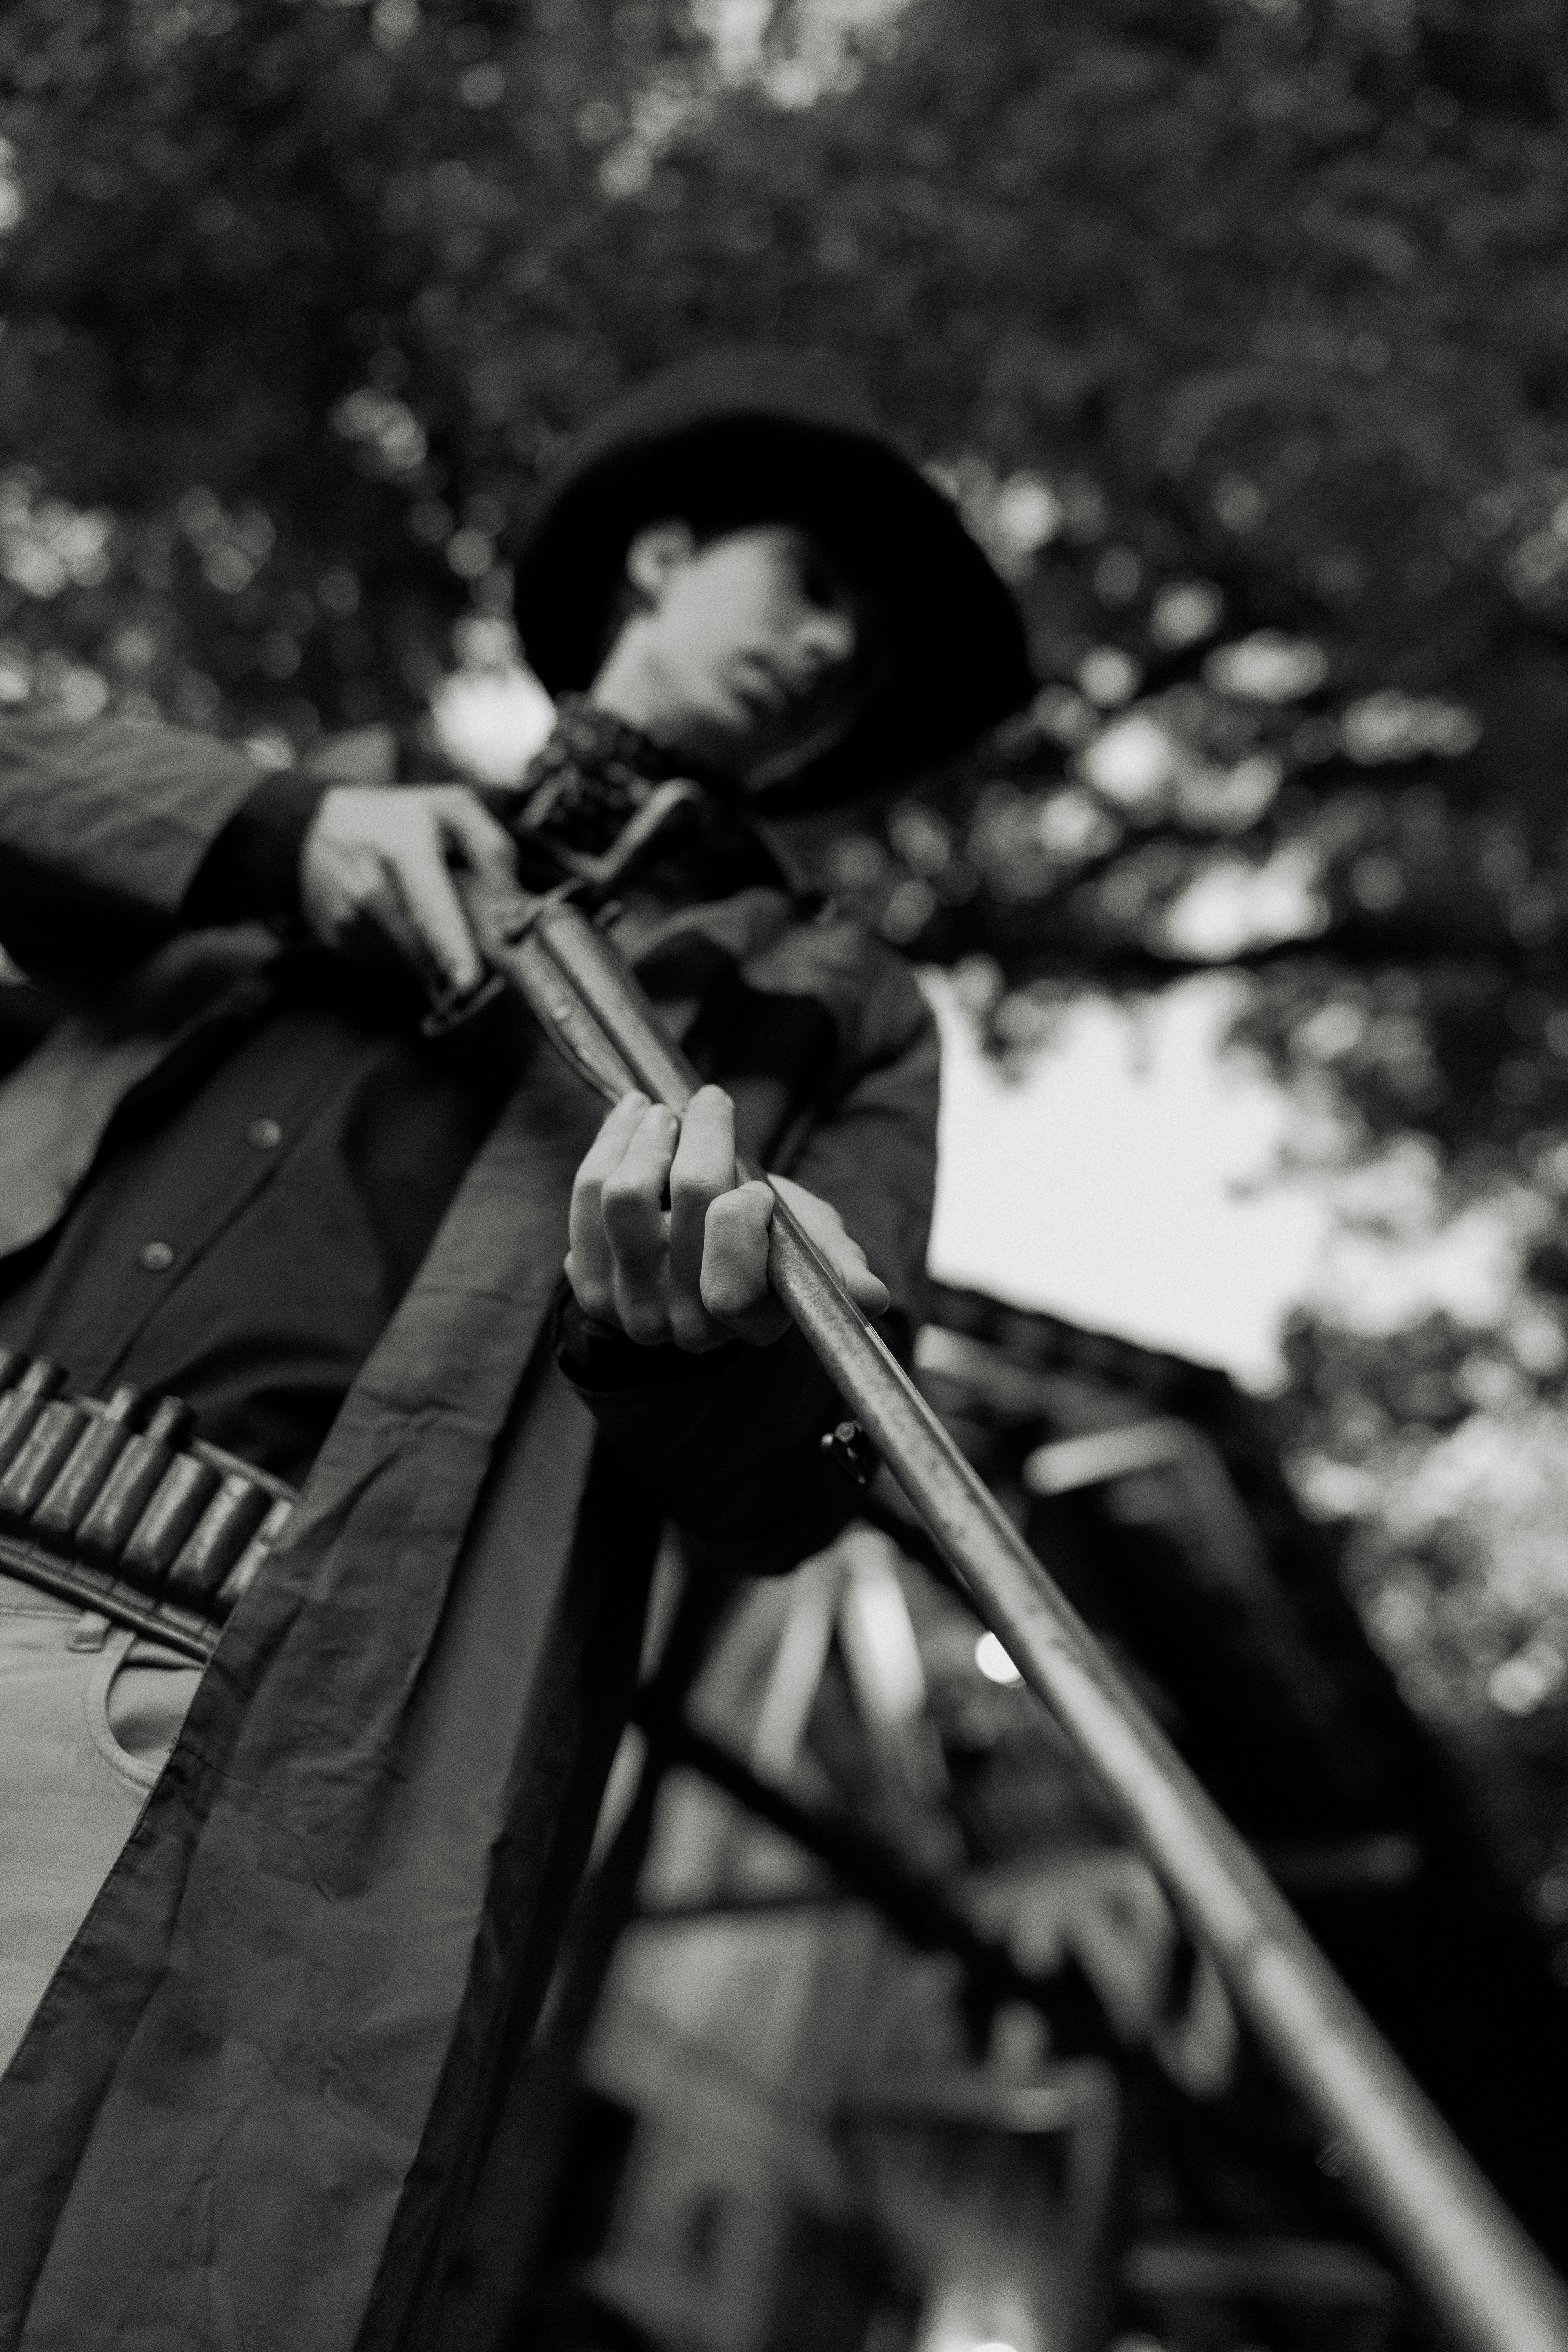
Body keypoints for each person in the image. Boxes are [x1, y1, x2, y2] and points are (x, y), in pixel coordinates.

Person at [0, 348, 1032, 2352]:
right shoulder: (317, 800)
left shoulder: (836, 1002)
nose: (831, 654)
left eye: (868, 656)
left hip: (241, 1719)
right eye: (808, 584)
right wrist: (268, 830)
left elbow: (803, 1477)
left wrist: (703, 1345)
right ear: (661, 556)